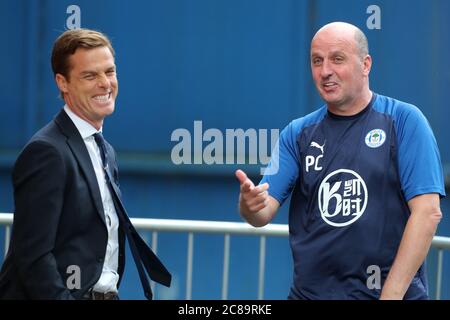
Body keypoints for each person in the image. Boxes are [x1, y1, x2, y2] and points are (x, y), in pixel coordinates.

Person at [235, 22, 445, 300]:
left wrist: (391, 295)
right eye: (317, 61)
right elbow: (262, 213)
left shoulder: (405, 122)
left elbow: (428, 213)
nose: (325, 72)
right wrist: (248, 206)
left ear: (366, 64)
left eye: (337, 59)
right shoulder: (297, 134)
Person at [0, 29, 171, 299]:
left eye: (110, 72)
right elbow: (33, 256)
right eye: (90, 76)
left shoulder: (105, 150)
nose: (105, 83)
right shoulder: (47, 152)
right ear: (63, 82)